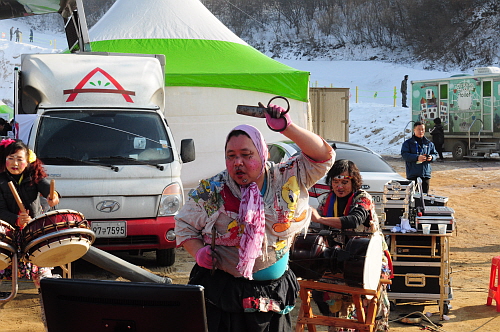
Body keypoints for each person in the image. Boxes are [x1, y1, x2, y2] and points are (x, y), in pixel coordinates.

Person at [175, 104, 334, 332]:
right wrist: (198, 252)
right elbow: (183, 225)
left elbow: (323, 156)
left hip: (273, 295)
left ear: (262, 153)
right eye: (231, 156)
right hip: (225, 294)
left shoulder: (287, 177)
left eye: (246, 155)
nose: (237, 162)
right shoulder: (213, 190)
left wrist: (287, 128)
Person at [310, 159, 391, 332]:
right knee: (319, 292)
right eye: (336, 182)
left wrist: (320, 219)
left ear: (354, 182)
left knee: (367, 303)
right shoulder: (326, 201)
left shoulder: (363, 198)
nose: (340, 187)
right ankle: (336, 326)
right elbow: (324, 233)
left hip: (369, 258)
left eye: (345, 182)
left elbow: (354, 221)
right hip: (341, 258)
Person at [0, 139, 60, 288]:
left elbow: (46, 187)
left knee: (41, 260)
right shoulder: (0, 179)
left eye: (19, 159)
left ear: (27, 161)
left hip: (33, 228)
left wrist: (53, 196)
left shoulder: (34, 175)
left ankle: (46, 289)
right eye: (11, 159)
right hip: (8, 229)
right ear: (4, 160)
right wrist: (16, 220)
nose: (15, 163)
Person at [401, 121, 438, 193]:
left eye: (423, 129)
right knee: (412, 197)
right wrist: (417, 157)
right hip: (412, 174)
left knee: (425, 197)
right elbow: (404, 155)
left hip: (425, 174)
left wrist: (431, 157)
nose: (421, 131)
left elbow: (435, 154)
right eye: (418, 129)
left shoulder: (429, 143)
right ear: (414, 130)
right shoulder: (408, 143)